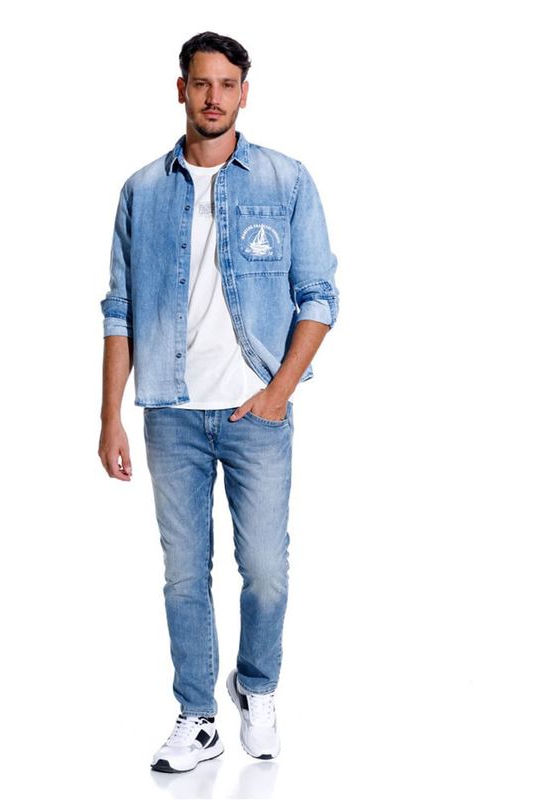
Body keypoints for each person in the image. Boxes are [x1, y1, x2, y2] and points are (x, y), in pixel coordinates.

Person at [98, 31, 340, 773]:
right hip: (170, 412)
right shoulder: (141, 190)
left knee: (265, 569)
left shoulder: (285, 180)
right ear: (182, 89)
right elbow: (119, 309)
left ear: (244, 92)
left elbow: (319, 296)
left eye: (227, 84)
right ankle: (197, 717)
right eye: (201, 83)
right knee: (183, 575)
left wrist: (277, 392)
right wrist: (110, 416)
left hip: (255, 413)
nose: (213, 97)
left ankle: (257, 690)